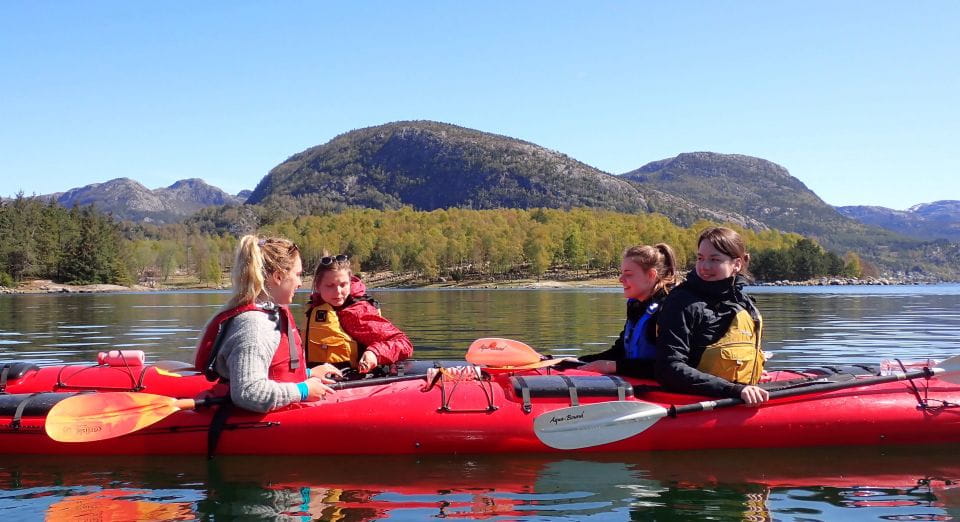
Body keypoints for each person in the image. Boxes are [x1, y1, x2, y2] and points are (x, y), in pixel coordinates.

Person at [193, 235, 341, 413]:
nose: (300, 283)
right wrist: (303, 390)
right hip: (249, 425)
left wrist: (307, 374)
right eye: (298, 275)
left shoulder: (271, 314)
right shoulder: (254, 326)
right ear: (278, 276)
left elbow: (272, 370)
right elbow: (248, 392)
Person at [655, 227, 769, 405]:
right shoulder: (681, 302)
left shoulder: (743, 302)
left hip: (739, 394)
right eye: (700, 258)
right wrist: (733, 389)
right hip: (700, 401)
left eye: (714, 259)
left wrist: (752, 370)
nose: (704, 266)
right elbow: (669, 368)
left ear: (737, 264)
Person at [579, 244, 678, 378]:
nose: (621, 279)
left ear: (651, 275)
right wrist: (577, 361)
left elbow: (669, 366)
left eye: (628, 274)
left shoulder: (670, 309)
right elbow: (620, 352)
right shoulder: (637, 306)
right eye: (622, 273)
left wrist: (613, 366)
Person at [304, 253, 413, 373]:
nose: (338, 292)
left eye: (343, 285)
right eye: (330, 286)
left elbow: (404, 343)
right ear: (318, 286)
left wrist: (375, 353)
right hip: (314, 378)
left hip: (351, 379)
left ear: (350, 283)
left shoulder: (356, 313)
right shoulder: (316, 307)